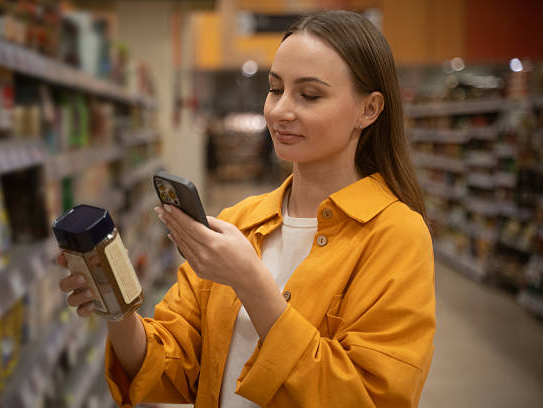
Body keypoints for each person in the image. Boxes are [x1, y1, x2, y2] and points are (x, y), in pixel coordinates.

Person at [58, 10, 435, 408]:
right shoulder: (240, 222)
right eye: (275, 89)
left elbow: (368, 398)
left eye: (310, 95)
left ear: (369, 110)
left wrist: (251, 283)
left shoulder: (397, 235)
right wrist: (116, 306)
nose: (279, 111)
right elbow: (173, 367)